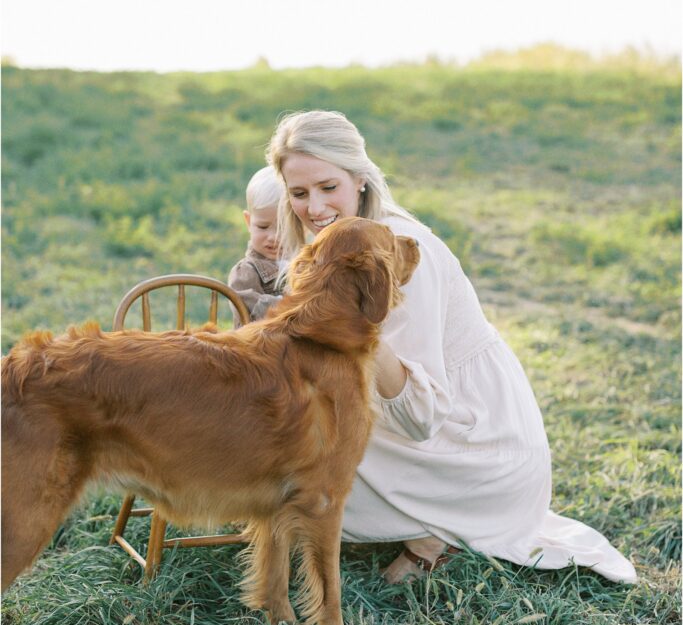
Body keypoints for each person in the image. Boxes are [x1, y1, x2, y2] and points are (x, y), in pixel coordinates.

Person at [266, 109, 637, 585]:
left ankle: (432, 533)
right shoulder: (329, 244)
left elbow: (421, 418)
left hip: (475, 445)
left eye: (327, 187)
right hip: (423, 426)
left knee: (289, 458)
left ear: (359, 180)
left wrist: (359, 327)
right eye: (299, 194)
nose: (315, 208)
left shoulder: (400, 248)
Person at [228, 166, 284, 324]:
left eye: (283, 228)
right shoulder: (245, 272)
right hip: (259, 346)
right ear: (248, 221)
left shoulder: (304, 262)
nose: (273, 237)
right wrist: (294, 305)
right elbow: (250, 312)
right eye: (263, 227)